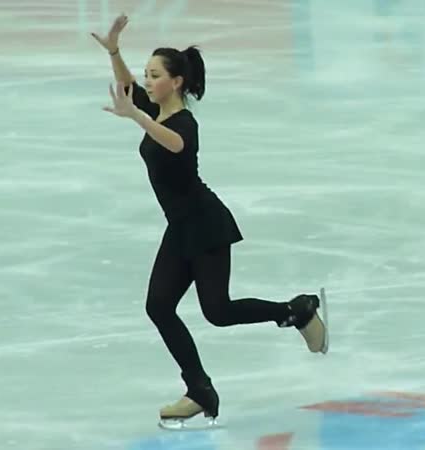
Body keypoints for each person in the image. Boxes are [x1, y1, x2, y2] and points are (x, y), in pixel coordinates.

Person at [92, 14, 328, 427]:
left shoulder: (182, 123)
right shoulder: (156, 109)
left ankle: (297, 311)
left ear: (176, 82)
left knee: (217, 311)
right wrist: (114, 50)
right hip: (181, 228)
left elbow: (176, 145)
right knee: (159, 306)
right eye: (147, 74)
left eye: (155, 75)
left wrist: (135, 118)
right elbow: (129, 89)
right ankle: (198, 389)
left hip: (206, 225)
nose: (147, 81)